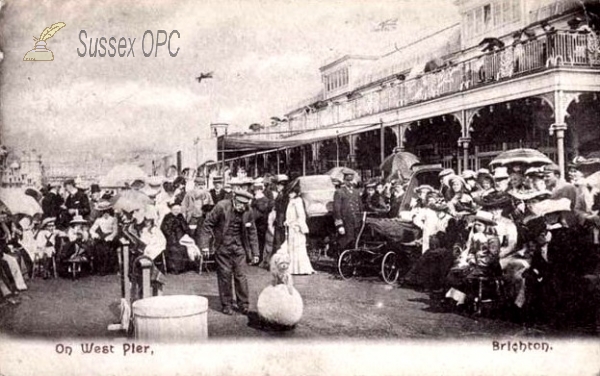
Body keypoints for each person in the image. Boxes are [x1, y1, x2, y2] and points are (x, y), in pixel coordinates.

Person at [200, 191, 260, 315]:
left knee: (241, 276)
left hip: (239, 248)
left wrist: (255, 253)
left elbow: (252, 232)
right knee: (224, 276)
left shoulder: (248, 211)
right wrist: (205, 246)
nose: (242, 207)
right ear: (234, 200)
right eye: (240, 204)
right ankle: (226, 304)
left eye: (245, 204)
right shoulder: (222, 206)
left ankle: (243, 304)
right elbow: (207, 224)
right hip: (222, 247)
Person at [285, 185, 314, 275]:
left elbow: (301, 216)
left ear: (296, 193)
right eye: (289, 193)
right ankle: (293, 268)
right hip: (291, 227)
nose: (290, 194)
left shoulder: (298, 201)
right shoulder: (291, 201)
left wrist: (298, 225)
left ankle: (301, 268)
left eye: (292, 193)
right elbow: (290, 215)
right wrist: (287, 221)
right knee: (292, 248)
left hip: (296, 228)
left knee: (298, 247)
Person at [333, 170, 363, 251]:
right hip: (346, 222)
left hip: (357, 221)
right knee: (346, 241)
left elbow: (360, 207)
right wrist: (339, 225)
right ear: (344, 181)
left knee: (356, 241)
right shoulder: (339, 192)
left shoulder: (356, 192)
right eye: (348, 180)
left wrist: (362, 219)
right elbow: (336, 210)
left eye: (352, 180)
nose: (351, 182)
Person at [160, 202, 192, 274]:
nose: (177, 211)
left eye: (178, 209)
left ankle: (182, 268)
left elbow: (186, 227)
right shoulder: (167, 217)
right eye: (175, 209)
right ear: (171, 209)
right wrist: (173, 228)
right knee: (174, 249)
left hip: (181, 237)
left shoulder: (181, 217)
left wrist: (186, 233)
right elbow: (164, 229)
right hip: (171, 238)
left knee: (183, 247)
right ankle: (174, 269)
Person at [181, 175, 214, 245]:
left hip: (203, 218)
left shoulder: (208, 195)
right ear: (195, 185)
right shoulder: (189, 194)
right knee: (192, 235)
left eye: (202, 185)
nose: (201, 187)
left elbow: (211, 206)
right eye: (199, 185)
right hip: (192, 218)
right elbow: (183, 206)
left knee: (203, 235)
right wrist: (184, 218)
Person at [89, 201, 119, 275]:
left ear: (109, 211)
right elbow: (91, 229)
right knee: (98, 247)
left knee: (108, 248)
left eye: (107, 211)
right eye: (103, 212)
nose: (105, 214)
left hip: (111, 236)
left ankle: (108, 269)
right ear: (101, 212)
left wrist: (110, 237)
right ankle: (100, 268)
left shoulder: (113, 219)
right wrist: (95, 234)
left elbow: (115, 231)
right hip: (102, 236)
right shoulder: (99, 220)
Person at [251, 180, 273, 264]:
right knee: (255, 240)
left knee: (260, 242)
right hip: (256, 223)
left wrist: (255, 202)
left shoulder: (264, 200)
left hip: (262, 223)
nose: (256, 192)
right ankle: (256, 257)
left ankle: (259, 258)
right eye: (255, 190)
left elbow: (262, 210)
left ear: (261, 190)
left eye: (257, 190)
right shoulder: (255, 199)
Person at [272, 174, 290, 252]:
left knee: (281, 240)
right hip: (278, 220)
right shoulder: (280, 195)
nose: (277, 187)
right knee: (277, 240)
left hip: (282, 221)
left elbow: (285, 209)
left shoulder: (285, 197)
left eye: (279, 185)